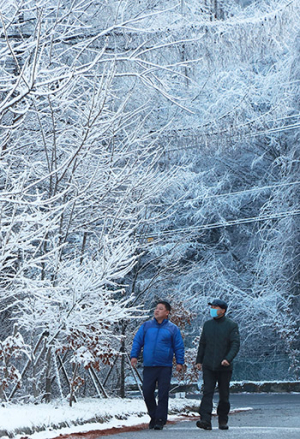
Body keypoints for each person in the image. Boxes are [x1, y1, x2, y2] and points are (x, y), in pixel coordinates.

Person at [130, 300, 184, 430]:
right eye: (156, 308)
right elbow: (137, 341)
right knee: (147, 392)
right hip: (149, 365)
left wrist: (179, 362)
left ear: (167, 312)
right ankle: (153, 415)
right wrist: (134, 356)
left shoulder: (172, 328)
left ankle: (160, 420)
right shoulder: (146, 326)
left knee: (163, 393)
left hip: (165, 365)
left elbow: (179, 346)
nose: (156, 310)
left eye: (160, 309)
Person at [195, 299, 240, 431]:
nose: (213, 309)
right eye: (212, 307)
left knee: (224, 394)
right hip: (209, 364)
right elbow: (202, 344)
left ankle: (223, 419)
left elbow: (235, 344)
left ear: (223, 310)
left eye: (215, 307)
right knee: (207, 392)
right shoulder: (208, 325)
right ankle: (205, 420)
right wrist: (199, 360)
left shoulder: (231, 325)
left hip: (224, 366)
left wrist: (228, 359)